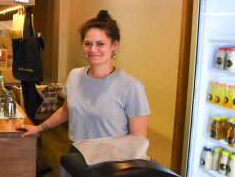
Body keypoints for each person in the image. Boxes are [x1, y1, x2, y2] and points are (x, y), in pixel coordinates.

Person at [20, 10, 149, 142]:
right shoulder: (75, 75)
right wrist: (39, 128)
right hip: (77, 154)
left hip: (112, 160)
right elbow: (66, 111)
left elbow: (137, 141)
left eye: (100, 44)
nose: (93, 49)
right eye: (88, 43)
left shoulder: (131, 86)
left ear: (114, 45)